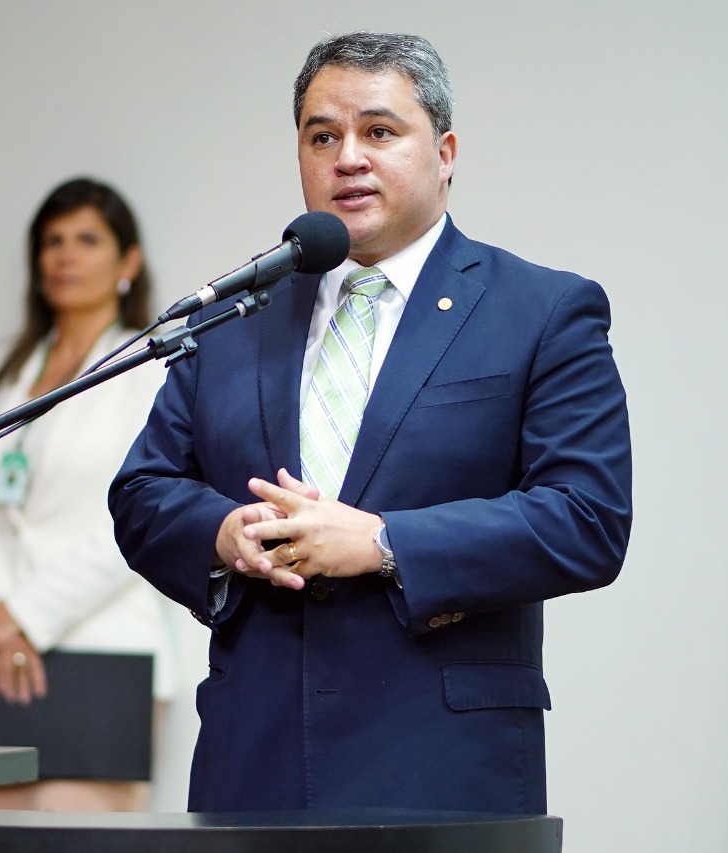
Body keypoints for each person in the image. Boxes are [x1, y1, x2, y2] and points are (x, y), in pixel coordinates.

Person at [109, 32, 632, 814]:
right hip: (253, 763)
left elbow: (586, 518)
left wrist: (385, 542)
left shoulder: (540, 310)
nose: (347, 157)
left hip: (441, 767)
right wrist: (224, 533)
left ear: (445, 153)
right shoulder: (234, 317)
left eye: (379, 131)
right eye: (322, 137)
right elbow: (143, 492)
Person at [0, 177, 173, 812]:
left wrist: (23, 618)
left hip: (102, 644)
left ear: (128, 262)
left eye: (87, 240)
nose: (66, 255)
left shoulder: (155, 365)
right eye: (53, 241)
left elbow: (142, 513)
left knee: (77, 841)